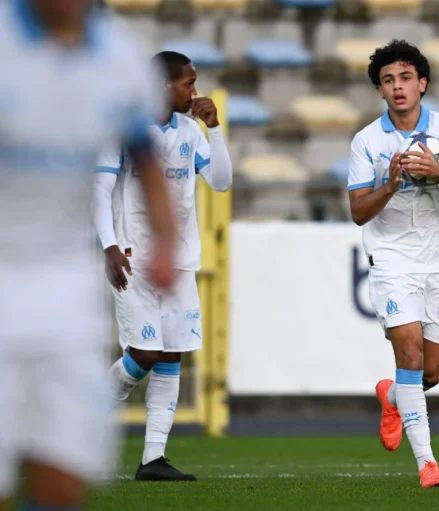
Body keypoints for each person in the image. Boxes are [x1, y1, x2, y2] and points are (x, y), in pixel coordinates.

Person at [0, 0, 176, 509]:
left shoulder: (120, 57)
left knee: (63, 477)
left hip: (65, 289)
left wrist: (164, 243)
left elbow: (145, 158)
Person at [347, 39, 439, 487]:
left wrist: (437, 171)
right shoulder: (366, 141)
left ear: (422, 83)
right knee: (407, 349)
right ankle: (428, 464)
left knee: (430, 372)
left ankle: (392, 395)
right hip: (391, 258)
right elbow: (357, 212)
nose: (398, 87)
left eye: (405, 78)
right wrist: (388, 186)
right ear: (380, 91)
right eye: (388, 81)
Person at [93, 51, 233, 481]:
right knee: (146, 353)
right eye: (187, 83)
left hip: (178, 263)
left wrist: (216, 130)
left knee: (170, 356)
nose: (195, 91)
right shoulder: (124, 131)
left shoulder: (191, 131)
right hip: (134, 259)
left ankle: (153, 458)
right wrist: (110, 246)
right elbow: (101, 190)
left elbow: (222, 181)